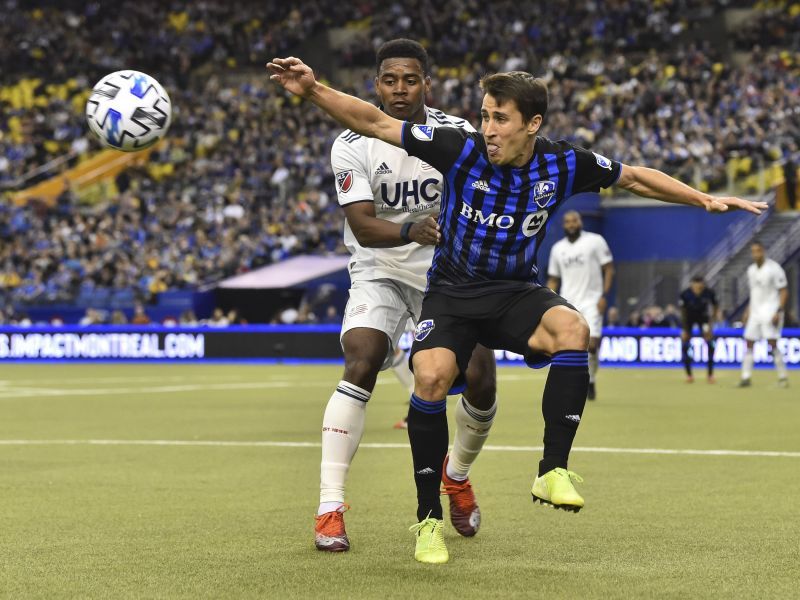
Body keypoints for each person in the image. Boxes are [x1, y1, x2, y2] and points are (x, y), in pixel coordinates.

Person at [267, 54, 767, 564]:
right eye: (484, 115)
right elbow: (373, 121)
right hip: (453, 293)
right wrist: (312, 90)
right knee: (431, 377)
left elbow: (634, 178)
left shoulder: (563, 162)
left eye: (499, 119)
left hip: (513, 293)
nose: (487, 128)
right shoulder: (458, 148)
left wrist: (702, 199)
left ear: (532, 124)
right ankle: (427, 521)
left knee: (573, 329)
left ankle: (551, 470)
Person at [313, 40, 496, 554]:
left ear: (426, 84)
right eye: (389, 80)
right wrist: (412, 229)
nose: (399, 89)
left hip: (447, 275)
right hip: (380, 268)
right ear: (376, 85)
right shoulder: (350, 143)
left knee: (480, 381)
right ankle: (330, 506)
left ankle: (455, 476)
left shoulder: (458, 135)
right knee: (362, 359)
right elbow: (364, 228)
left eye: (410, 80)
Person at [547, 210, 614, 400]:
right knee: (569, 346)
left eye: (574, 221)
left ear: (580, 221)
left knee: (592, 345)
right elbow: (553, 279)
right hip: (568, 303)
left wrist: (603, 296)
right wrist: (548, 300)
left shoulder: (595, 241)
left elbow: (608, 268)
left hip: (592, 300)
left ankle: (591, 378)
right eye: (567, 221)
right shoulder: (557, 249)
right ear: (563, 225)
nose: (571, 224)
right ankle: (577, 384)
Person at [738, 241, 789, 388]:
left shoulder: (774, 268)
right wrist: (747, 311)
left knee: (772, 343)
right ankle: (745, 377)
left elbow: (784, 290)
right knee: (749, 342)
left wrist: (779, 310)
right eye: (753, 251)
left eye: (758, 251)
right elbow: (753, 293)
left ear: (763, 251)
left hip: (770, 311)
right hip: (755, 312)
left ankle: (783, 377)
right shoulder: (751, 270)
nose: (756, 254)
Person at [678, 275, 719, 383]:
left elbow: (715, 306)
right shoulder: (685, 294)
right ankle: (689, 375)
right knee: (685, 345)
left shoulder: (709, 292)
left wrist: (711, 325)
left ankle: (710, 374)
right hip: (689, 320)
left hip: (703, 319)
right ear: (692, 284)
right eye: (696, 284)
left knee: (710, 344)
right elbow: (683, 312)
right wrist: (684, 329)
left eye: (701, 284)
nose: (699, 286)